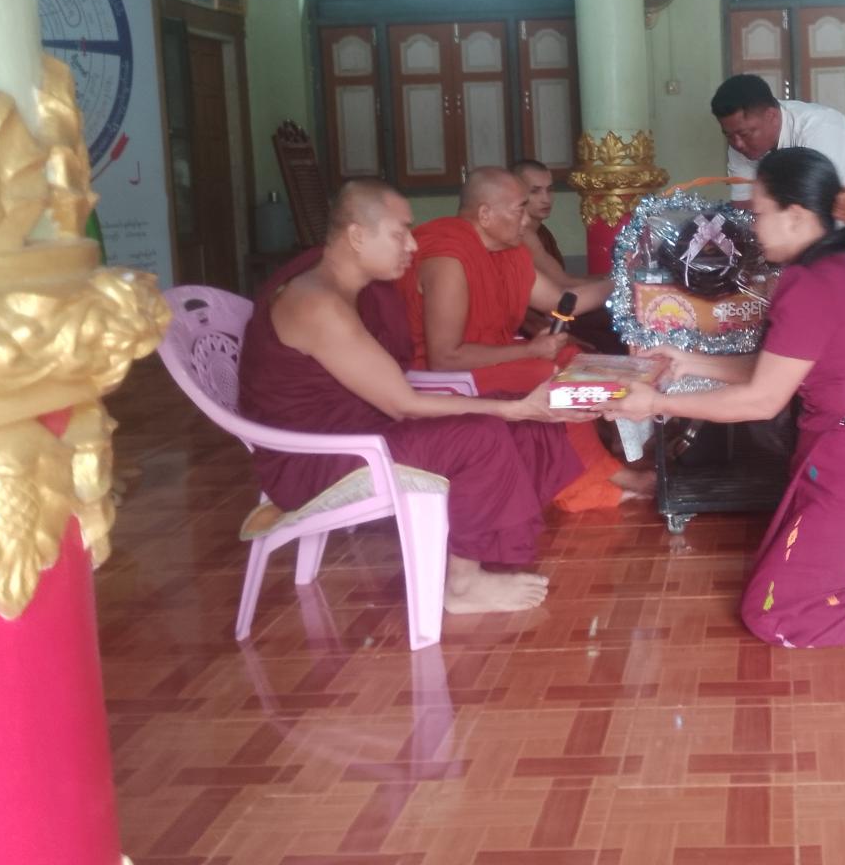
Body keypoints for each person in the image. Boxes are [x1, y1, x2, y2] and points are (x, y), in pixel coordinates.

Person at [605, 147, 845, 659]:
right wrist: (688, 362)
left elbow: (762, 399)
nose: (752, 227)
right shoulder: (835, 271)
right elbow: (779, 370)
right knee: (781, 579)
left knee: (773, 614)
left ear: (796, 215)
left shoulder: (808, 284)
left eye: (759, 213)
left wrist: (652, 404)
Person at [237, 179, 591, 613]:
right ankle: (462, 585)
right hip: (320, 458)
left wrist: (516, 409)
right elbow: (402, 403)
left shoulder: (347, 285)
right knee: (482, 435)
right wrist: (514, 408)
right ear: (357, 236)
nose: (412, 244)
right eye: (400, 232)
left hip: (359, 429)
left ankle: (483, 550)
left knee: (521, 423)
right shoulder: (316, 304)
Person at [394, 166, 653, 509]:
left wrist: (628, 281)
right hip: (437, 372)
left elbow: (563, 301)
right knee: (551, 376)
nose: (527, 220)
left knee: (573, 359)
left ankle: (603, 471)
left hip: (481, 360)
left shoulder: (506, 253)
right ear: (485, 215)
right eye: (520, 210)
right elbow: (445, 357)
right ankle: (593, 484)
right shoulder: (448, 259)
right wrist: (530, 350)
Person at [713, 74, 845, 322]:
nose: (738, 143)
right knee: (832, 300)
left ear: (772, 115)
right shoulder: (740, 147)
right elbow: (744, 208)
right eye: (729, 135)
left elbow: (819, 214)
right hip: (817, 215)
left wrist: (786, 270)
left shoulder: (820, 130)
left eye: (746, 133)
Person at [512, 158, 625, 354]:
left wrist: (612, 279)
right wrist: (621, 282)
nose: (546, 199)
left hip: (554, 308)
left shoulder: (541, 232)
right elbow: (562, 287)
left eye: (550, 190)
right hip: (539, 323)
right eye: (535, 191)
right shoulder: (520, 237)